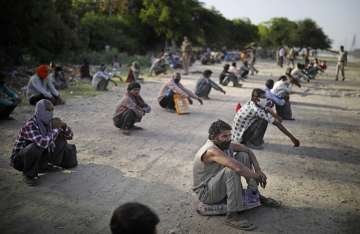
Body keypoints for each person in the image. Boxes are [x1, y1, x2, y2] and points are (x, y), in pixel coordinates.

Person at [193, 120, 279, 231]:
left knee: (243, 155)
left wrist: (258, 170)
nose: (228, 139)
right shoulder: (211, 150)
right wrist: (257, 176)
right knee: (232, 169)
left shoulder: (225, 144)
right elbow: (237, 168)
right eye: (224, 136)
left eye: (230, 135)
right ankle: (232, 216)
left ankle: (255, 194)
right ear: (214, 137)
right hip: (207, 193)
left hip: (217, 185)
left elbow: (247, 150)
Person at [10, 99, 76, 186]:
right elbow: (43, 142)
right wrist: (56, 129)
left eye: (52, 111)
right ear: (40, 112)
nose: (50, 114)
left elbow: (69, 136)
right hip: (20, 161)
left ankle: (43, 166)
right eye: (47, 111)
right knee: (36, 146)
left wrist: (63, 125)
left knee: (60, 137)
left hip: (39, 156)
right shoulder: (30, 125)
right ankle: (28, 175)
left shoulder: (50, 123)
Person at [232, 89, 300, 149]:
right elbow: (277, 123)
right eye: (263, 97)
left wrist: (273, 113)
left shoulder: (252, 102)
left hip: (237, 135)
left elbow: (269, 110)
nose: (265, 99)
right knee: (263, 120)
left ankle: (253, 139)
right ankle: (253, 142)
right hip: (240, 138)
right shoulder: (257, 110)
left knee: (265, 115)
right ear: (257, 99)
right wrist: (292, 138)